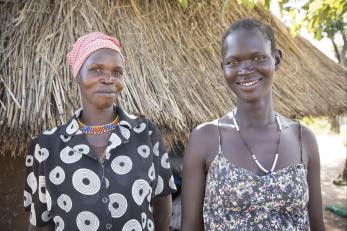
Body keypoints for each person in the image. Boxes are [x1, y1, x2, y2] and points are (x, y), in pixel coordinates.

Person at [181, 19, 325, 230]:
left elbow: (317, 226)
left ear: (276, 59)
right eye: (233, 62)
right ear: (223, 68)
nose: (246, 69)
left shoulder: (303, 138)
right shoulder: (205, 138)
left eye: (258, 58)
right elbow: (190, 227)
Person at [24, 32, 176, 231]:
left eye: (117, 72)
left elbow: (163, 210)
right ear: (78, 74)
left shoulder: (146, 134)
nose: (108, 79)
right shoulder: (45, 146)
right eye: (96, 70)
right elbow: (41, 223)